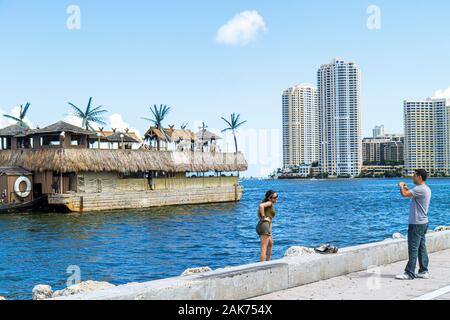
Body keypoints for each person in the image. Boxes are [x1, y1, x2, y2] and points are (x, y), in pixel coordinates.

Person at [395, 169, 432, 280]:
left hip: (416, 223)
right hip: (423, 222)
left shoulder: (419, 189)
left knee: (413, 248)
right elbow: (411, 195)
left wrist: (401, 186)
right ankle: (423, 271)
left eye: (414, 175)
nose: (412, 177)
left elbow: (404, 194)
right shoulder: (425, 189)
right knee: (421, 248)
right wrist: (406, 188)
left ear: (419, 177)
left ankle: (409, 273)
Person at [256, 190, 278, 262]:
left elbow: (270, 221)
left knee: (271, 243)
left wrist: (271, 233)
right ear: (269, 198)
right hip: (264, 225)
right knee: (263, 247)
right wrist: (263, 217)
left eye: (276, 197)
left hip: (265, 226)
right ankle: (262, 266)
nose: (276, 198)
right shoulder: (269, 203)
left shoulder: (269, 204)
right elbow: (261, 206)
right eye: (274, 197)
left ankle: (268, 261)